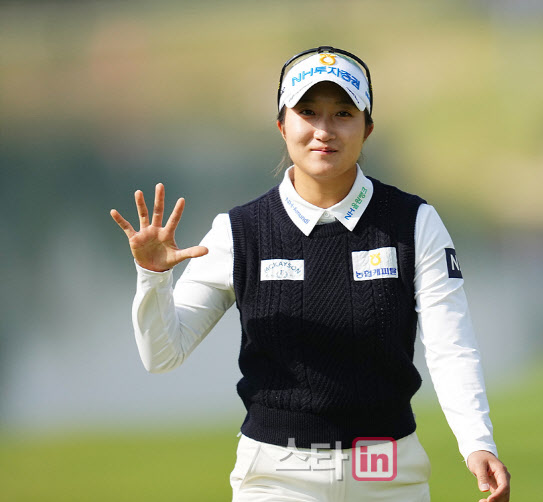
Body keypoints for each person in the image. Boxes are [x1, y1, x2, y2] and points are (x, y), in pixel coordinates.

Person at [110, 46, 510, 502]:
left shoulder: (413, 223)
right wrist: (153, 277)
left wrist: (477, 442)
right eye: (307, 112)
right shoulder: (240, 231)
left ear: (367, 128)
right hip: (277, 476)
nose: (324, 130)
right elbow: (162, 355)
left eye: (343, 113)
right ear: (282, 125)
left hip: (386, 471)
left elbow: (450, 346)